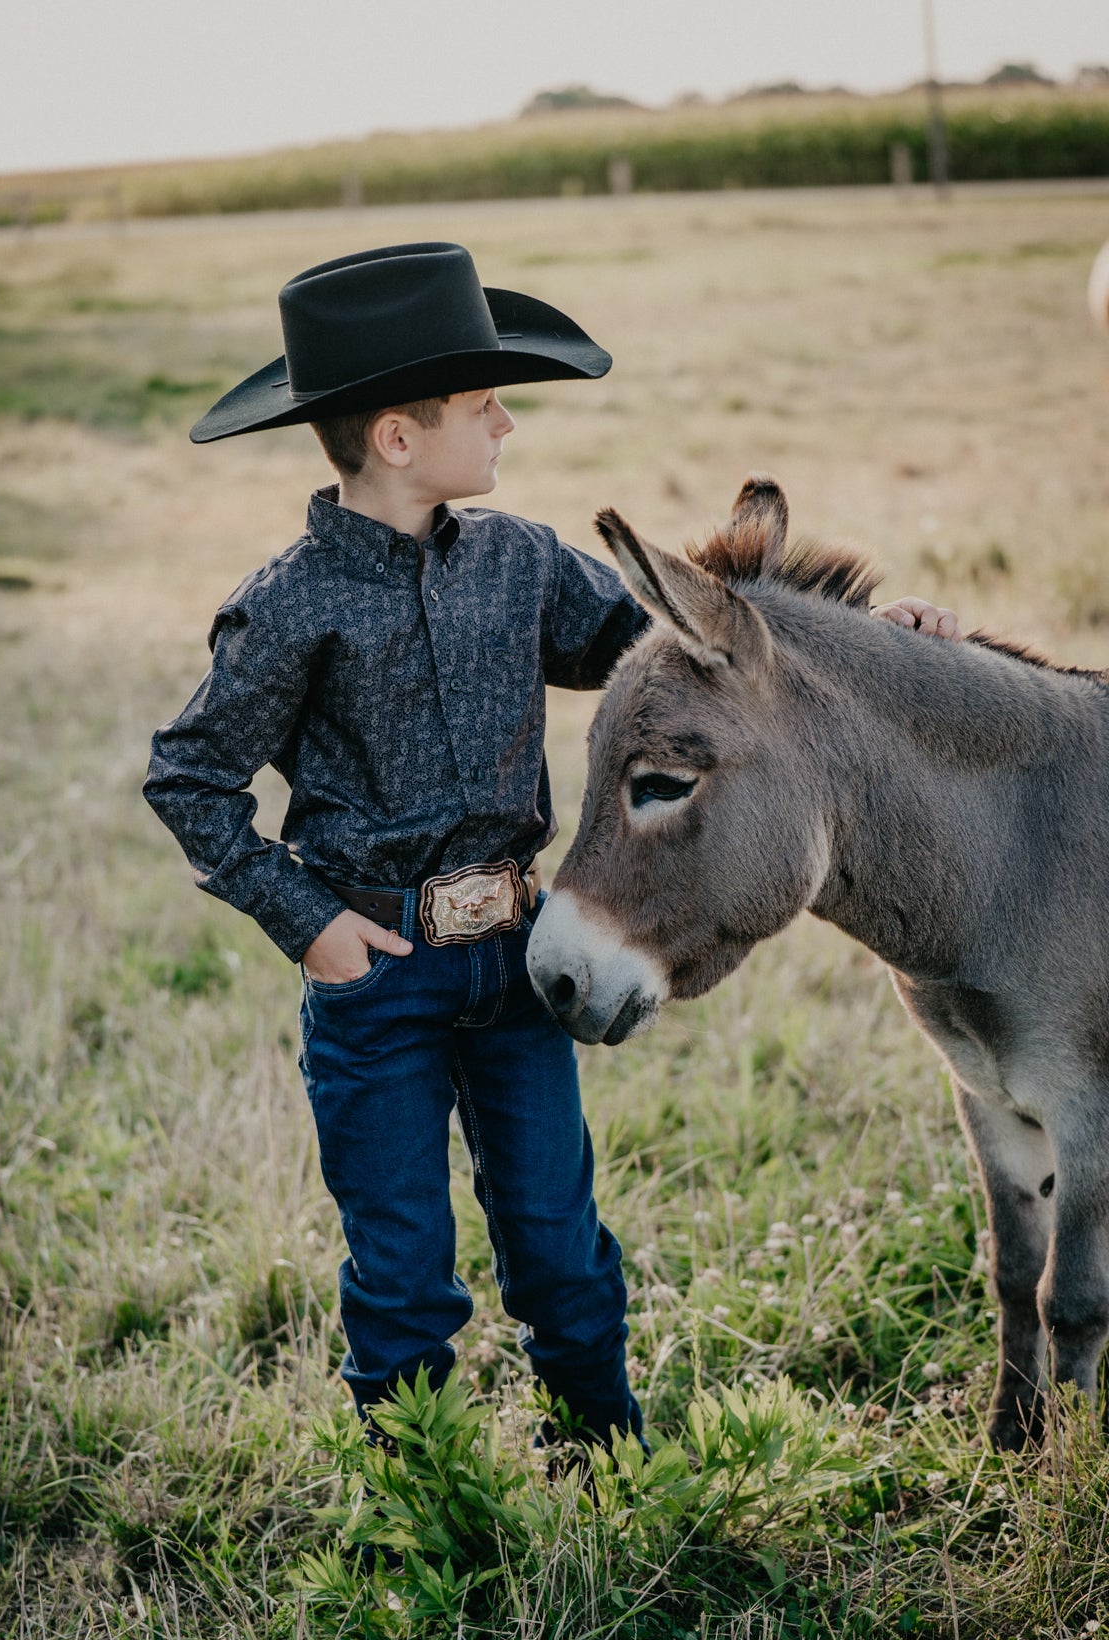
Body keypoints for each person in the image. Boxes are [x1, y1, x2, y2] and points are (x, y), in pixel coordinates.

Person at [144, 240, 957, 1453]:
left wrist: (866, 644)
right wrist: (304, 918)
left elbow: (701, 647)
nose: (509, 424)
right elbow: (189, 776)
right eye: (485, 404)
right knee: (405, 1271)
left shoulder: (521, 564)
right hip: (379, 980)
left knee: (559, 1247)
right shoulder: (292, 603)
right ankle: (425, 1506)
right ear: (398, 438)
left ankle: (605, 1461)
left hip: (521, 960)